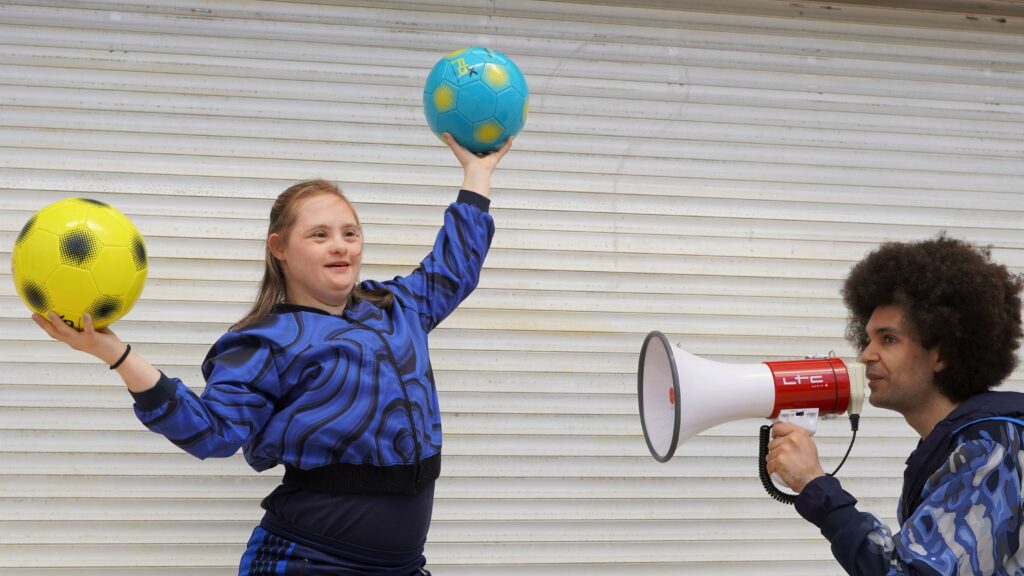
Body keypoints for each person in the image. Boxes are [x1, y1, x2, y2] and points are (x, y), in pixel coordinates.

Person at [32, 133, 513, 575]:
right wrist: (114, 353)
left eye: (350, 233)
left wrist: (478, 174)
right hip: (310, 561)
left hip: (400, 566)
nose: (341, 247)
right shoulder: (264, 341)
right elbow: (211, 433)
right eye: (319, 235)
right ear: (279, 248)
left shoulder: (396, 307)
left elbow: (455, 267)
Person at [766, 234, 1024, 575]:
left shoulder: (992, 448)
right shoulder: (957, 444)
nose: (866, 355)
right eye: (868, 338)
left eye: (888, 339)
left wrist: (815, 485)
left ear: (941, 353)